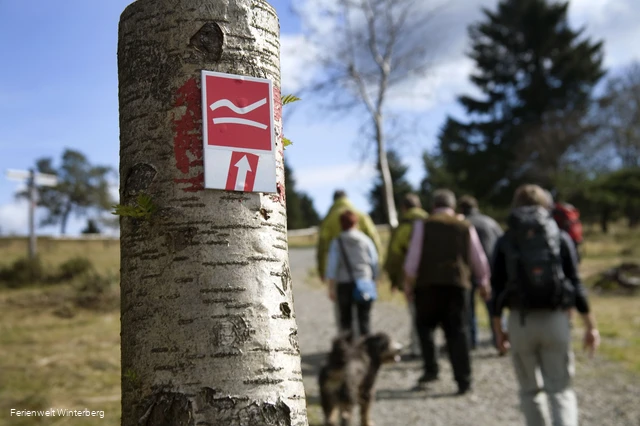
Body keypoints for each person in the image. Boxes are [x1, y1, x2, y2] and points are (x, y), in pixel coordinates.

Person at [490, 184, 600, 426]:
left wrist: (498, 330)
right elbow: (575, 282)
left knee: (530, 392)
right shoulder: (558, 236)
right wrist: (590, 326)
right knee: (560, 390)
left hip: (520, 321)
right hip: (556, 320)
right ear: (546, 205)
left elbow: (496, 290)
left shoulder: (506, 240)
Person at [403, 189, 491, 395]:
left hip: (427, 287)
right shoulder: (464, 226)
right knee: (458, 333)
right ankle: (464, 380)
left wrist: (408, 286)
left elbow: (412, 261)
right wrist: (484, 282)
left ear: (433, 207)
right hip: (456, 286)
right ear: (453, 207)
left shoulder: (422, 226)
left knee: (425, 329)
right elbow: (478, 258)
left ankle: (431, 369)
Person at [317, 190, 382, 333]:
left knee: (345, 322)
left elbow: (330, 261)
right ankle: (366, 350)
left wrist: (327, 280)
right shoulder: (365, 232)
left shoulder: (330, 223)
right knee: (364, 320)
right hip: (364, 280)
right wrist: (376, 279)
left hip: (344, 282)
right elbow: (374, 258)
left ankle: (347, 351)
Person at [458, 195, 506, 353]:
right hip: (492, 270)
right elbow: (502, 242)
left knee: (468, 307)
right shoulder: (490, 221)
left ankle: (471, 341)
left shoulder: (462, 224)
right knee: (493, 307)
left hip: (468, 271)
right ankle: (500, 338)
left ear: (461, 208)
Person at [384, 193, 429, 359]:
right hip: (434, 276)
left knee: (416, 313)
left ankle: (418, 348)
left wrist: (395, 280)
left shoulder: (403, 228)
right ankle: (430, 347)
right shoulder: (431, 222)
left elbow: (394, 256)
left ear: (404, 208)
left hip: (412, 278)